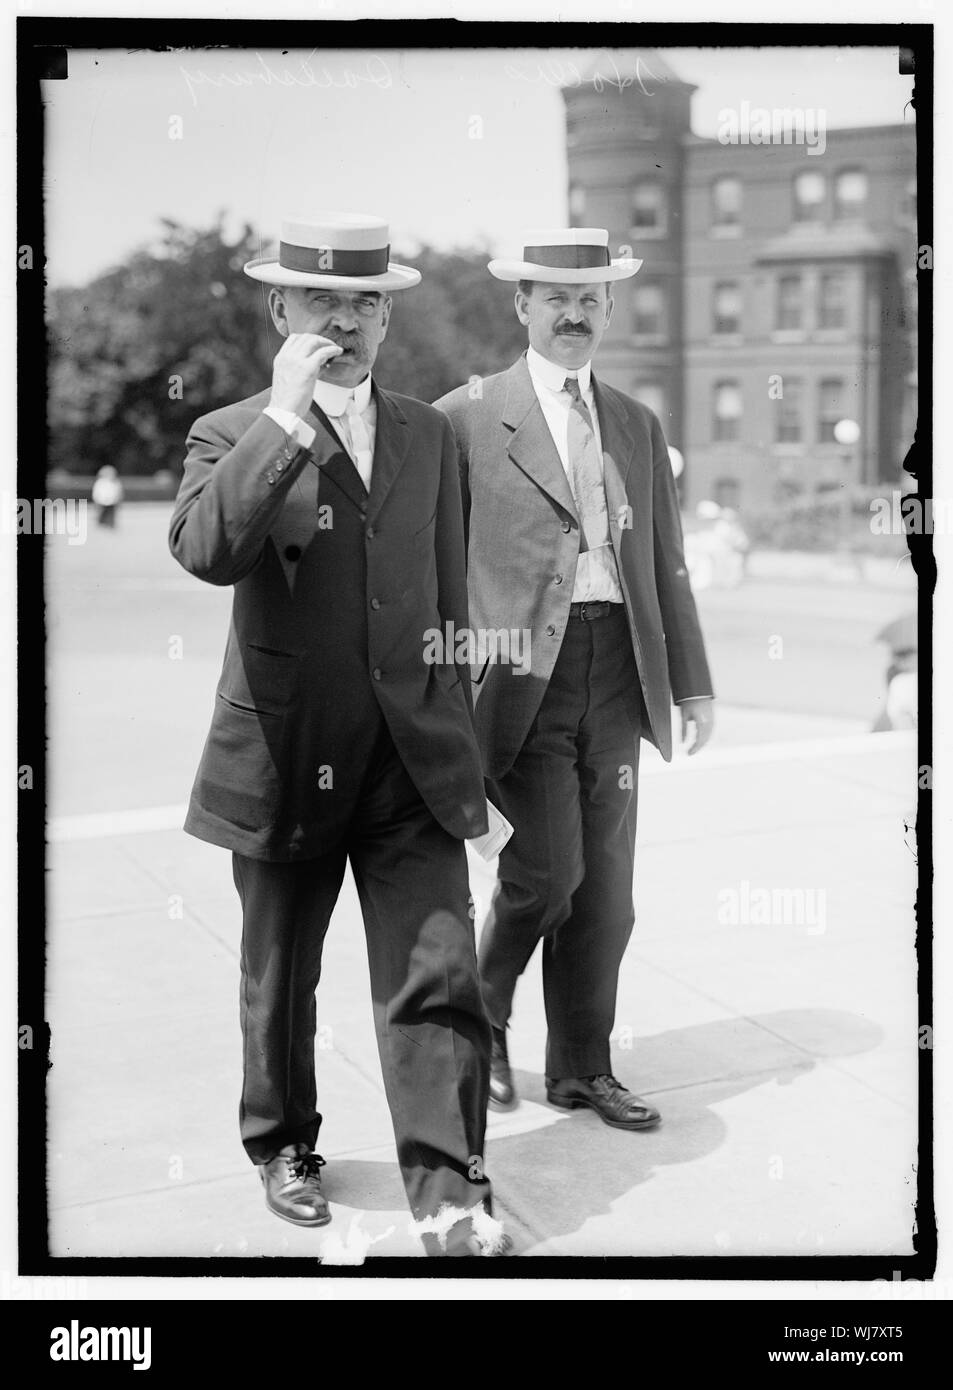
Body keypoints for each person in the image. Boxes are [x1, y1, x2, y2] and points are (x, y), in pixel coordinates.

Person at [169, 213, 505, 1257]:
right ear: (280, 311)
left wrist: (467, 761)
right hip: (279, 753)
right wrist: (282, 416)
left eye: (365, 301)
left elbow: (447, 599)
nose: (344, 321)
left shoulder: (427, 433)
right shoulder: (230, 432)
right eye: (321, 301)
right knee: (282, 977)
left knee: (437, 970)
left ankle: (448, 1189)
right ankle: (282, 1144)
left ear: (388, 315)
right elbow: (205, 550)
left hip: (407, 761)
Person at [435, 228, 715, 1129]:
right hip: (520, 677)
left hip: (617, 673)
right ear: (521, 305)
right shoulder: (466, 416)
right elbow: (434, 566)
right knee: (544, 876)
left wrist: (693, 682)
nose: (573, 312)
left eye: (590, 296)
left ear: (607, 306)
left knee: (607, 895)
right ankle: (476, 1014)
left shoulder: (634, 422)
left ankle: (581, 1071)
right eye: (554, 296)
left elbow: (664, 561)